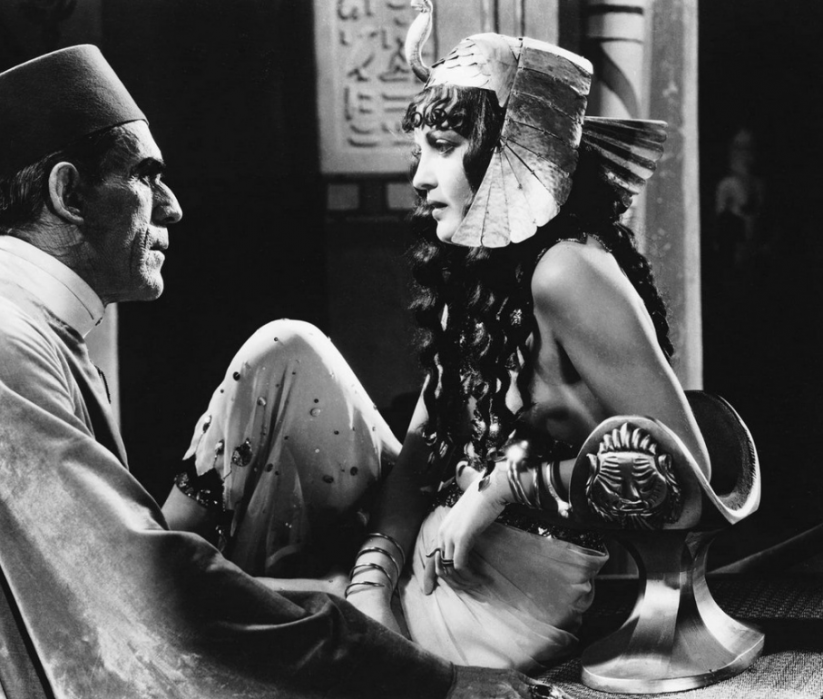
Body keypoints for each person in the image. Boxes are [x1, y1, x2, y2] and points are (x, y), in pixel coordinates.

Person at [0, 45, 562, 699]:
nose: (175, 207)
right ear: (69, 195)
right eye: (146, 176)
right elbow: (148, 598)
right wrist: (428, 681)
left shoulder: (17, 332)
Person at [169, 0, 712, 677]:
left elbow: (688, 477)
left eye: (444, 148)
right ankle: (151, 563)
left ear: (510, 152)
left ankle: (157, 581)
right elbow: (424, 442)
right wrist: (374, 575)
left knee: (226, 632)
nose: (420, 176)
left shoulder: (569, 271)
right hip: (418, 557)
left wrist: (504, 487)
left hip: (495, 607)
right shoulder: (481, 264)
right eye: (419, 150)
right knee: (286, 350)